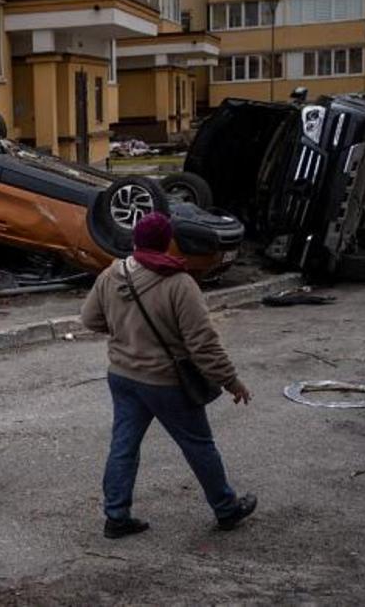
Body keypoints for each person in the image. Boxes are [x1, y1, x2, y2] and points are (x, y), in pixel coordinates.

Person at [80, 212, 256, 539]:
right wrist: (232, 381)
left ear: (135, 241)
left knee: (124, 446)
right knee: (198, 444)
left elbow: (89, 318)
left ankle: (116, 516)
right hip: (165, 382)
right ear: (167, 243)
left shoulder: (111, 273)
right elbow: (203, 344)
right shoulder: (178, 282)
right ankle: (226, 508)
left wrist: (122, 331)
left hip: (122, 376)